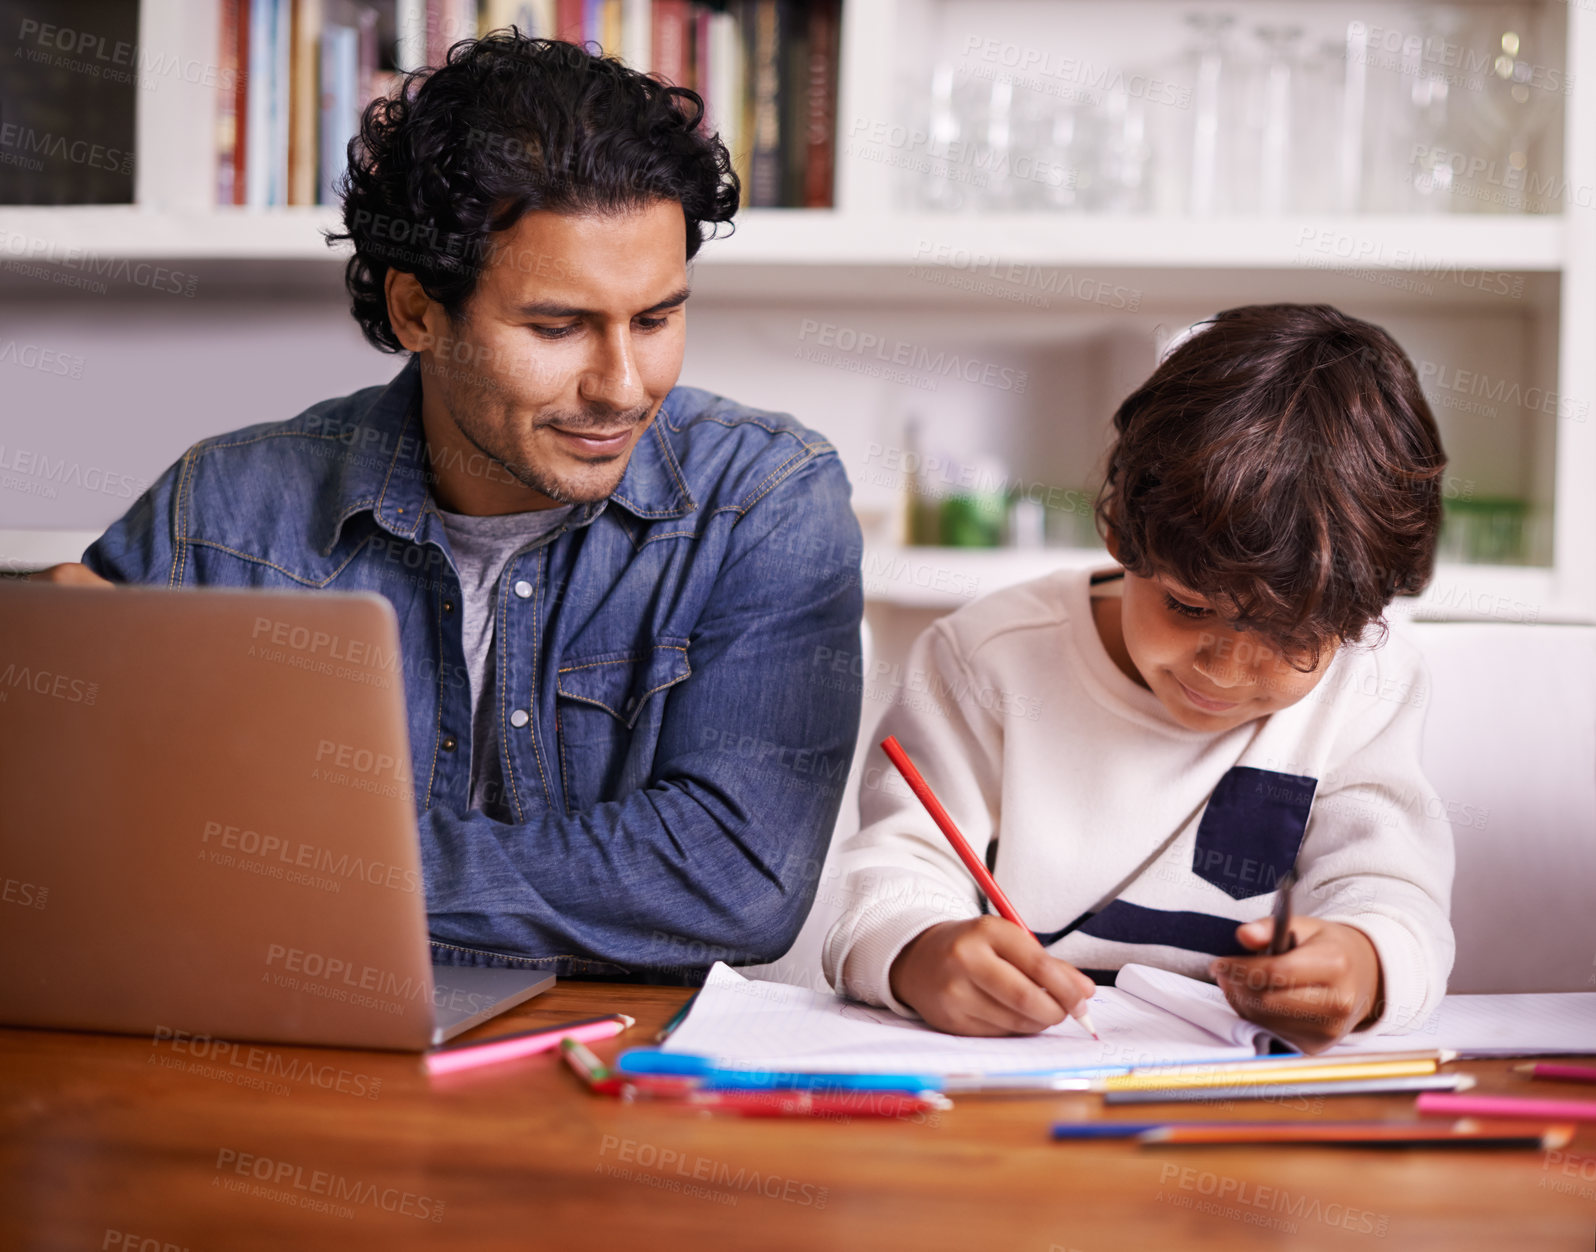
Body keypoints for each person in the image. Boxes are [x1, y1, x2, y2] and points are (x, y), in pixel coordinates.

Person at [32, 34, 864, 982]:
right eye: (558, 328)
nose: (624, 386)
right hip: (266, 1052)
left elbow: (733, 884)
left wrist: (279, 855)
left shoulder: (764, 500)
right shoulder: (218, 509)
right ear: (418, 312)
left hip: (612, 1087)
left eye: (657, 318)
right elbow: (70, 851)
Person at [823, 304, 1454, 1051]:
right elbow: (892, 881)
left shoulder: (1368, 688)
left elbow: (1393, 895)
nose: (1222, 668)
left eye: (1287, 639)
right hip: (1015, 1092)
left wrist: (1365, 962)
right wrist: (919, 954)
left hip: (1252, 1102)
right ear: (1121, 527)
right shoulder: (984, 660)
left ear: (1360, 618)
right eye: (1187, 606)